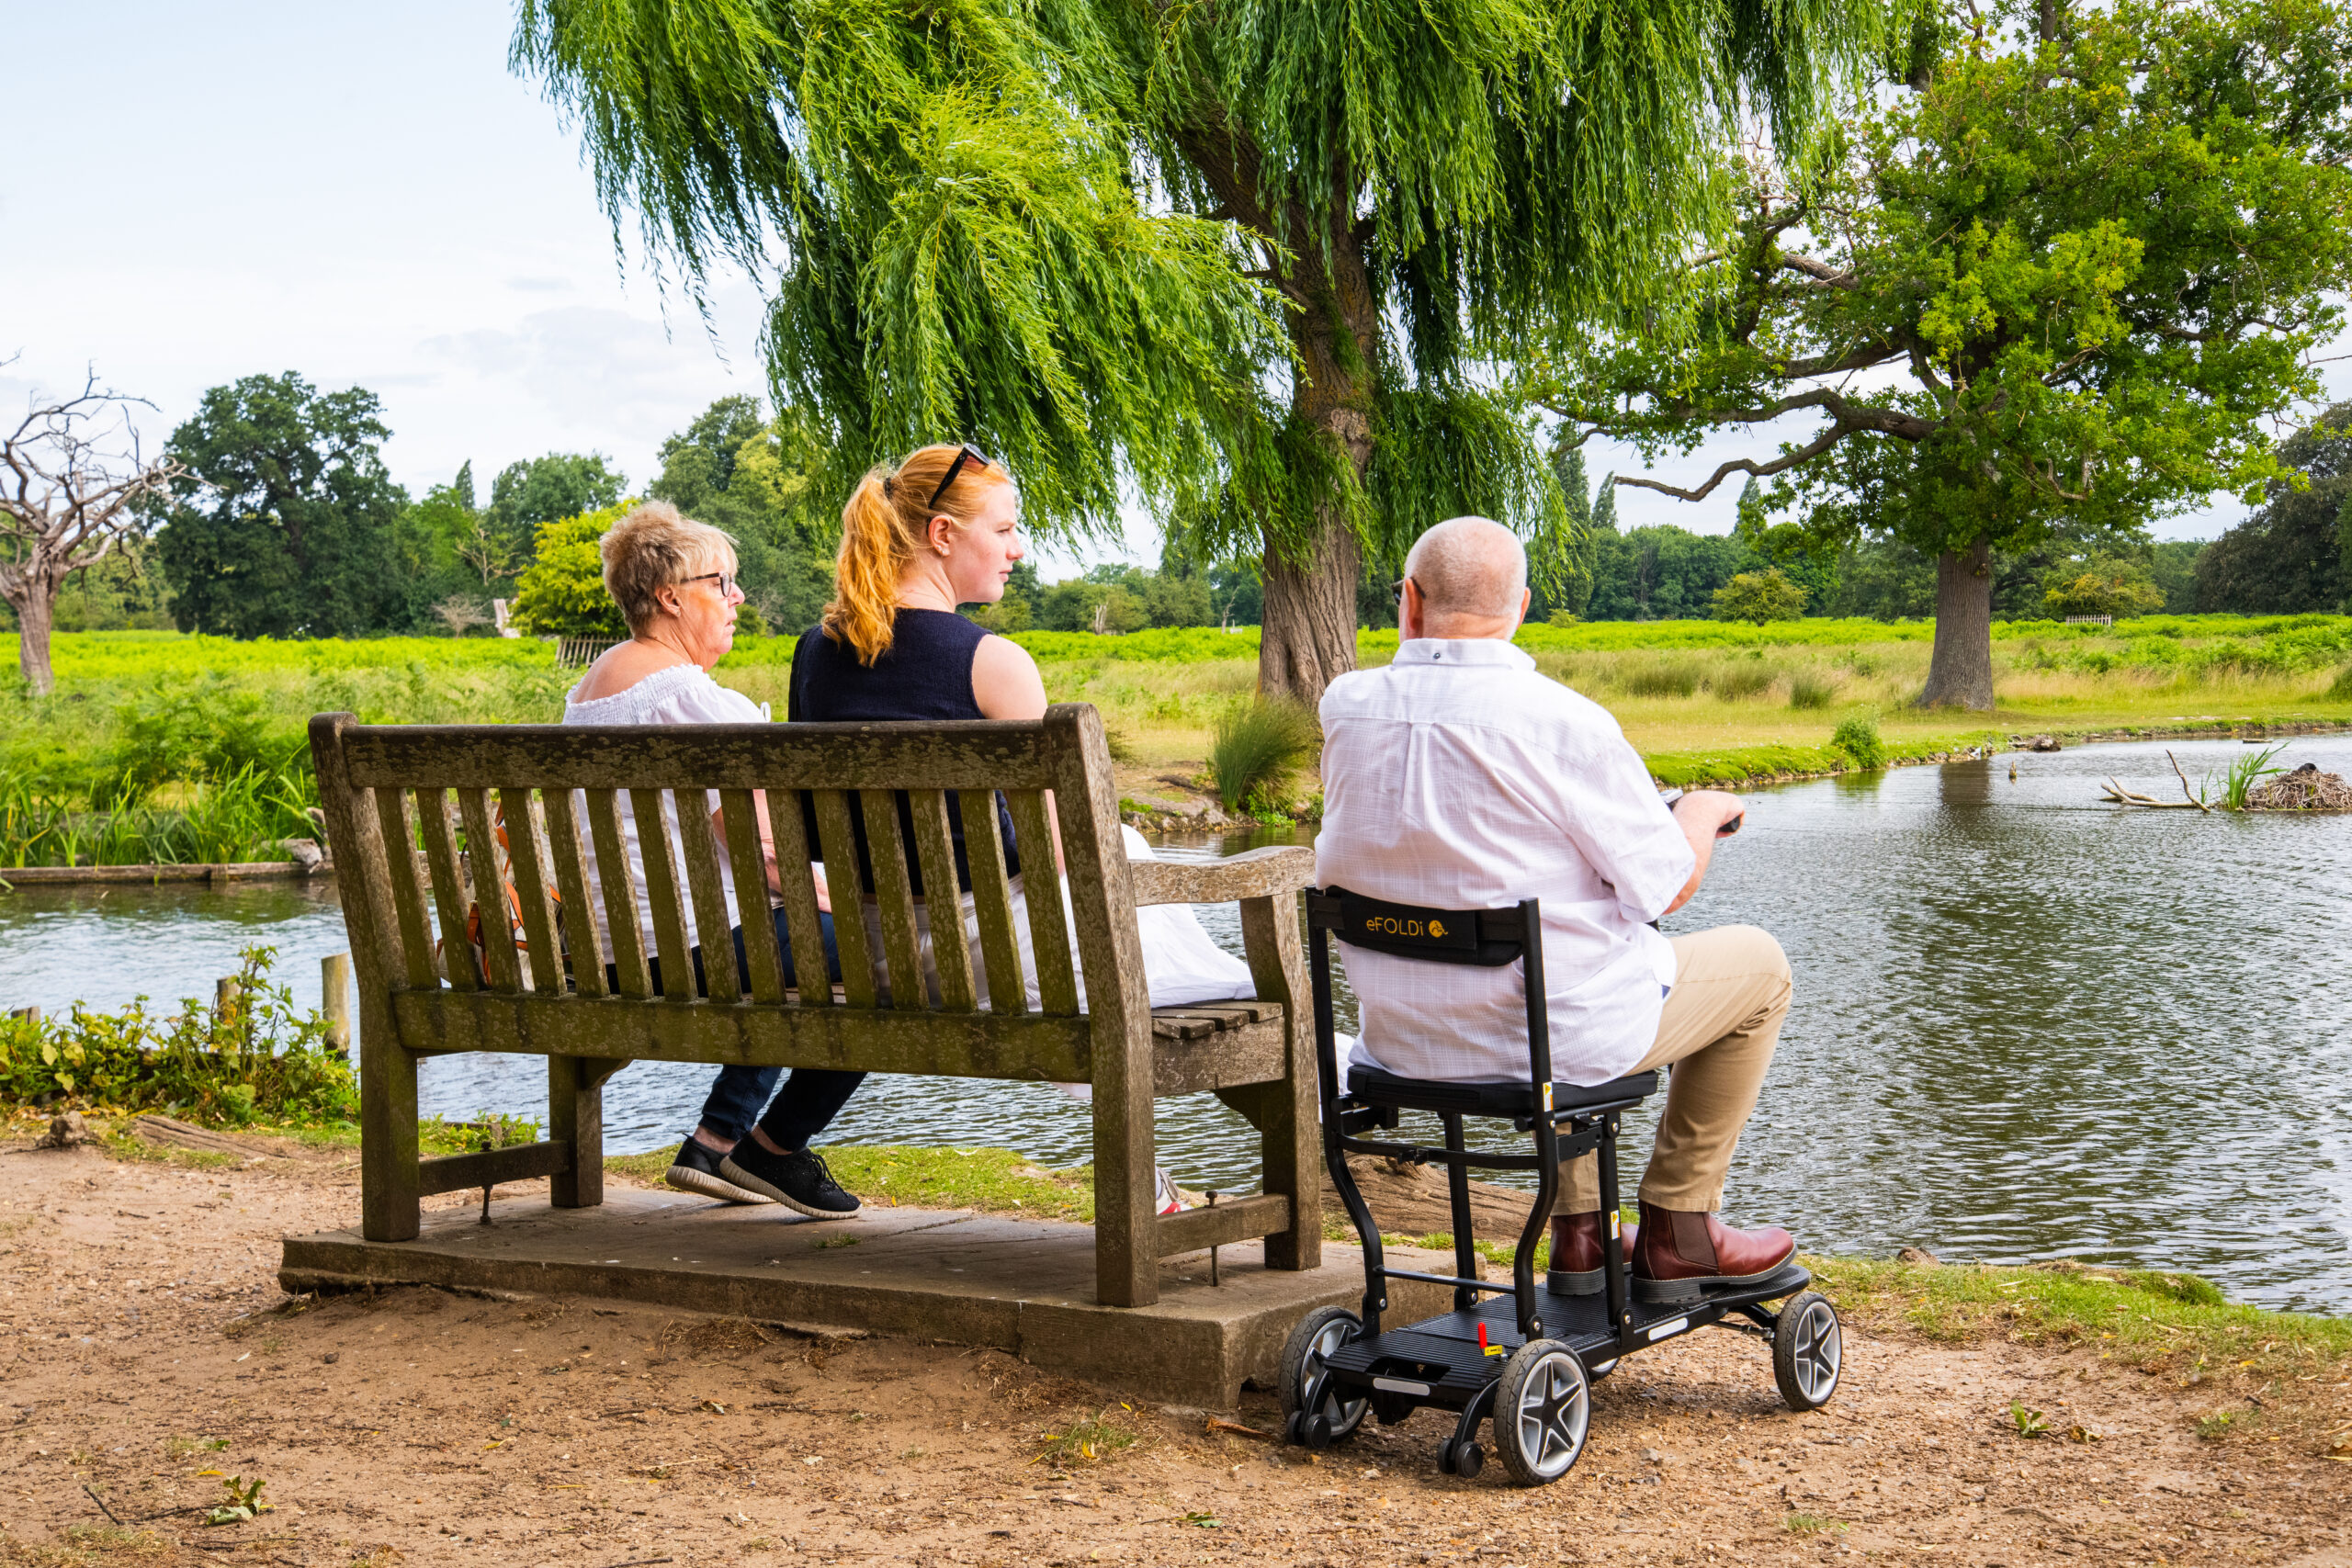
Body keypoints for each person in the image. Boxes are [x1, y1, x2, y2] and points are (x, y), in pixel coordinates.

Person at [752, 441, 1254, 1215]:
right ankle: (1151, 1182)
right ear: (945, 536)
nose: (1018, 549)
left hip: (858, 949)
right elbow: (1066, 851)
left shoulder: (815, 653)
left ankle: (1152, 1179)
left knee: (1121, 864)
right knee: (1121, 854)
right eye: (1007, 529)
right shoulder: (994, 662)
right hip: (971, 959)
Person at [1315, 514, 1796, 1303]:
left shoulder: (1346, 708)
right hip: (1538, 1042)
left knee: (1555, 957)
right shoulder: (1564, 722)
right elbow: (1662, 888)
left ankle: (1583, 1237)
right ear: (1521, 608)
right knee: (1761, 968)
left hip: (1401, 1046)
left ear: (1409, 602)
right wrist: (1700, 812)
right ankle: (1680, 1226)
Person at [560, 501, 858, 1221]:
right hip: (691, 951)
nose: (737, 598)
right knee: (889, 950)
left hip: (609, 954)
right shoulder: (688, 698)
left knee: (796, 947)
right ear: (669, 595)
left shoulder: (588, 694)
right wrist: (851, 896)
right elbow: (768, 859)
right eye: (722, 583)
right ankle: (766, 1146)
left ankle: (714, 1142)